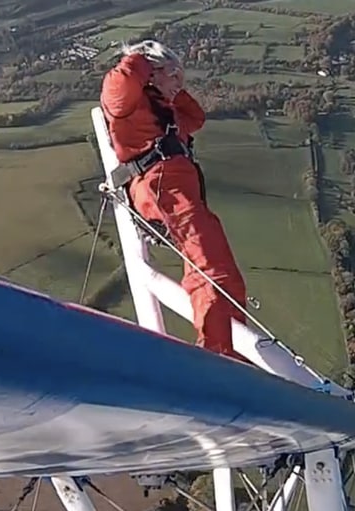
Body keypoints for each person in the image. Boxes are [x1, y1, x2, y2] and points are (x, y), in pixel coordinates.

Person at [100, 40, 247, 360]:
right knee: (209, 262)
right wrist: (138, 60)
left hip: (172, 187)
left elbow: (196, 118)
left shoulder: (161, 108)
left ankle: (227, 345)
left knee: (213, 257)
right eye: (174, 73)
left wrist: (171, 87)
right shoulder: (129, 102)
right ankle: (220, 352)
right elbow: (117, 87)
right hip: (161, 187)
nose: (181, 80)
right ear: (149, 73)